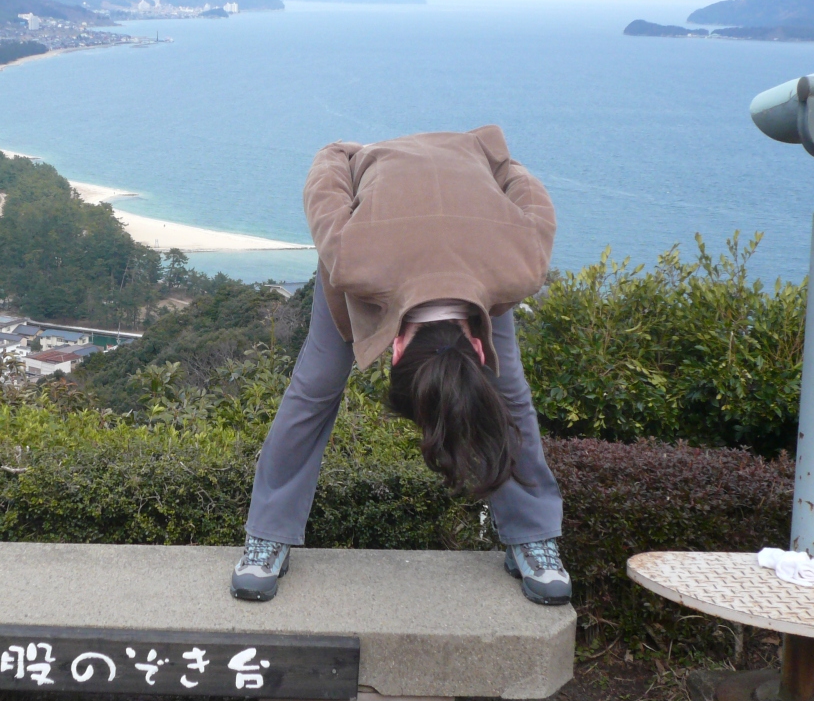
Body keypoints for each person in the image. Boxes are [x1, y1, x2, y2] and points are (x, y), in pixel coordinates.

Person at [231, 126, 569, 606]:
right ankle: (267, 534)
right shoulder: (351, 258)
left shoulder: (519, 265)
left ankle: (533, 534)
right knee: (316, 387)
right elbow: (327, 165)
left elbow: (516, 176)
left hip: (481, 263)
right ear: (391, 348)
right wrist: (351, 155)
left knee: (507, 390)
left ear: (477, 346)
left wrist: (485, 159)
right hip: (371, 265)